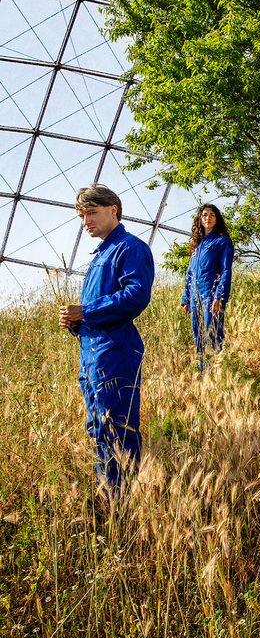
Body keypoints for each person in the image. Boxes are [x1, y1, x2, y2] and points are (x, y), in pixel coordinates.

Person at [59, 184, 154, 507]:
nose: (86, 220)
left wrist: (86, 311)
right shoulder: (101, 253)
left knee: (117, 428)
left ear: (113, 209)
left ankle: (124, 507)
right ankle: (109, 500)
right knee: (99, 428)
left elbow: (135, 296)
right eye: (81, 215)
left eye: (92, 212)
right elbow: (100, 308)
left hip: (114, 352)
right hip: (92, 353)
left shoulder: (129, 248)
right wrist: (76, 322)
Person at [181, 204, 235, 369]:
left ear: (216, 219)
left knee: (212, 334)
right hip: (195, 296)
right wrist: (186, 298)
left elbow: (226, 270)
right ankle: (204, 374)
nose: (208, 218)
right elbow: (189, 274)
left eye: (212, 214)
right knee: (198, 336)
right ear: (200, 219)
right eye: (205, 215)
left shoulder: (222, 241)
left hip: (211, 294)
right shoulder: (196, 247)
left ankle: (217, 373)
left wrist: (220, 295)